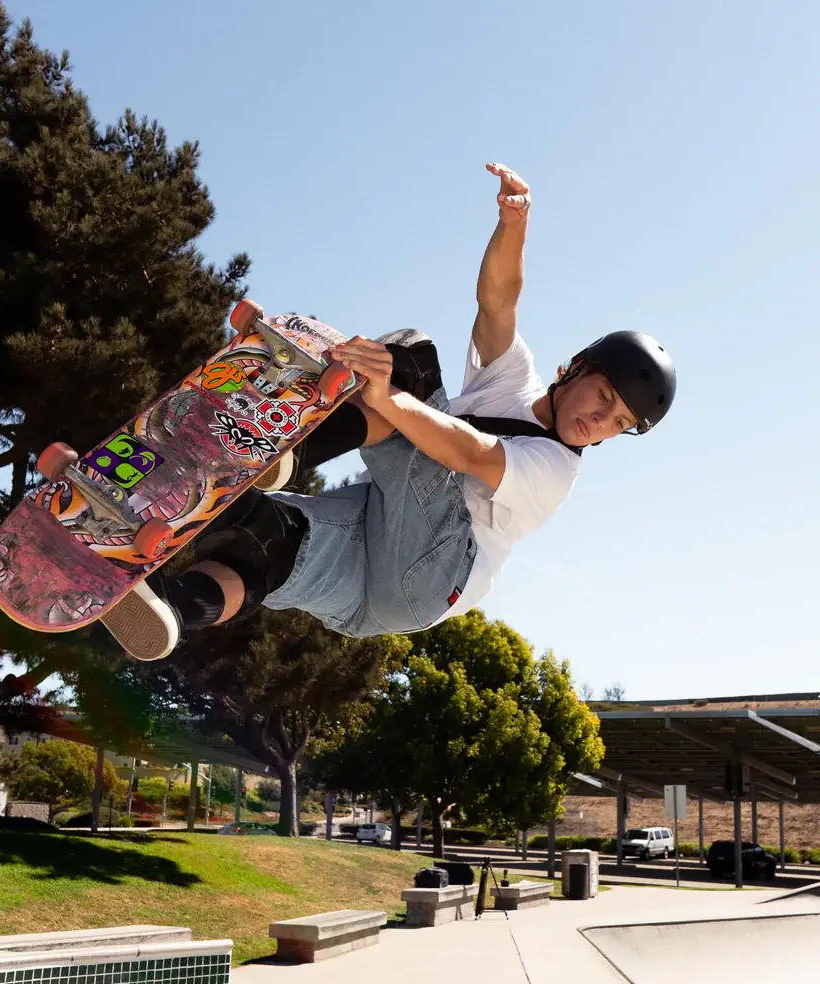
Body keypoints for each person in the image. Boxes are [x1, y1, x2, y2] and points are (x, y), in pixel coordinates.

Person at [100, 162, 676, 660]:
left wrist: (386, 398)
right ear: (574, 367)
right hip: (376, 582)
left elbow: (471, 452)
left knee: (409, 359)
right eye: (604, 398)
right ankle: (171, 611)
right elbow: (498, 301)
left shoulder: (557, 471)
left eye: (619, 424)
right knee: (265, 540)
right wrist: (513, 225)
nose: (600, 423)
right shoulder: (511, 378)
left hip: (431, 572)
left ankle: (289, 449)